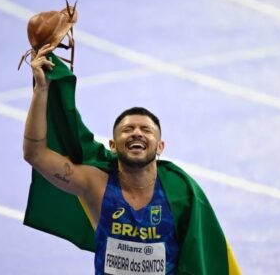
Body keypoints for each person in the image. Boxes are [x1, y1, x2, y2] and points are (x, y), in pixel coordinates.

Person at [24, 44, 179, 274]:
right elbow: (35, 154)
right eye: (128, 130)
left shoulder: (180, 193)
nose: (137, 132)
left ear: (160, 146)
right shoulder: (96, 185)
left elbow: (202, 251)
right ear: (113, 146)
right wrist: (41, 89)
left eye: (146, 130)